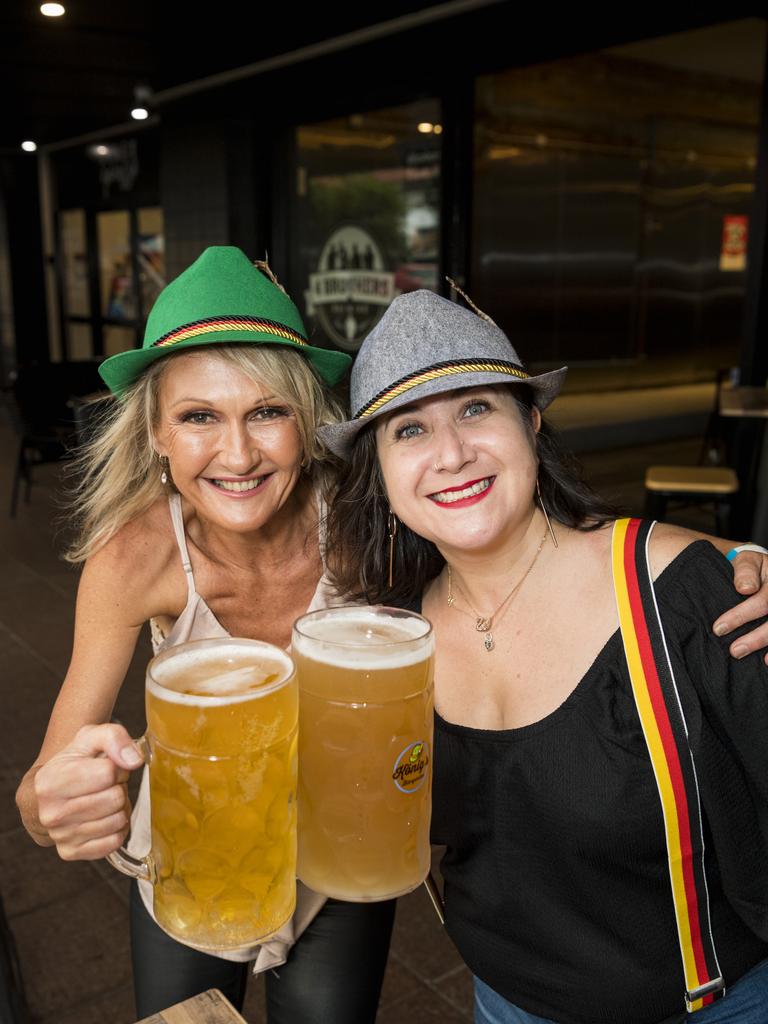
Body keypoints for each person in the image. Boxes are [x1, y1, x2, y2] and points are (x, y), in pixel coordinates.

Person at [320, 288, 768, 1024]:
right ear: (382, 472)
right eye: (410, 430)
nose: (452, 453)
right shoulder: (392, 641)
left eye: (475, 409)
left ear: (530, 422)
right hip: (505, 1004)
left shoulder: (675, 592)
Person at [14, 247, 395, 1023]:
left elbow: (521, 553)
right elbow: (38, 791)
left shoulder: (365, 526)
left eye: (267, 411)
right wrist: (56, 805)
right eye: (198, 417)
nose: (239, 454)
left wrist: (714, 559)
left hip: (337, 849)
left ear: (307, 416)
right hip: (194, 853)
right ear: (156, 431)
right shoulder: (134, 558)